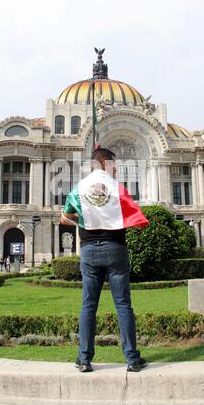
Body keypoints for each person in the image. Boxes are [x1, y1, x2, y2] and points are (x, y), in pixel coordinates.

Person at [61, 148, 149, 373]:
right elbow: (135, 217)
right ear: (105, 162)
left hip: (89, 250)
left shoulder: (79, 187)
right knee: (123, 305)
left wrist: (83, 219)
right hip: (115, 248)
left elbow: (64, 216)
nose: (116, 168)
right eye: (114, 164)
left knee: (88, 305)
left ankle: (84, 359)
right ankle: (132, 359)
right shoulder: (118, 188)